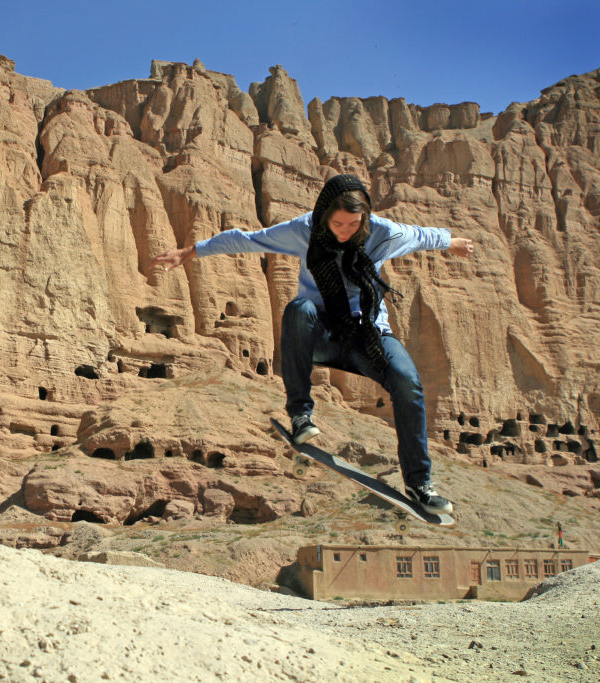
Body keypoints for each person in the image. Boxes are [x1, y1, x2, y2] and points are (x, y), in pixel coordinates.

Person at [151, 174, 474, 514]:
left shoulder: (383, 233)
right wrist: (192, 251)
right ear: (323, 214)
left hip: (368, 337)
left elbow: (421, 235)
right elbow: (249, 240)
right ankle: (301, 416)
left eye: (354, 223)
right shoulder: (303, 231)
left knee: (409, 383)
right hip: (322, 335)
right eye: (338, 223)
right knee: (298, 309)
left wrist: (451, 241)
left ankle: (420, 483)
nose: (346, 230)